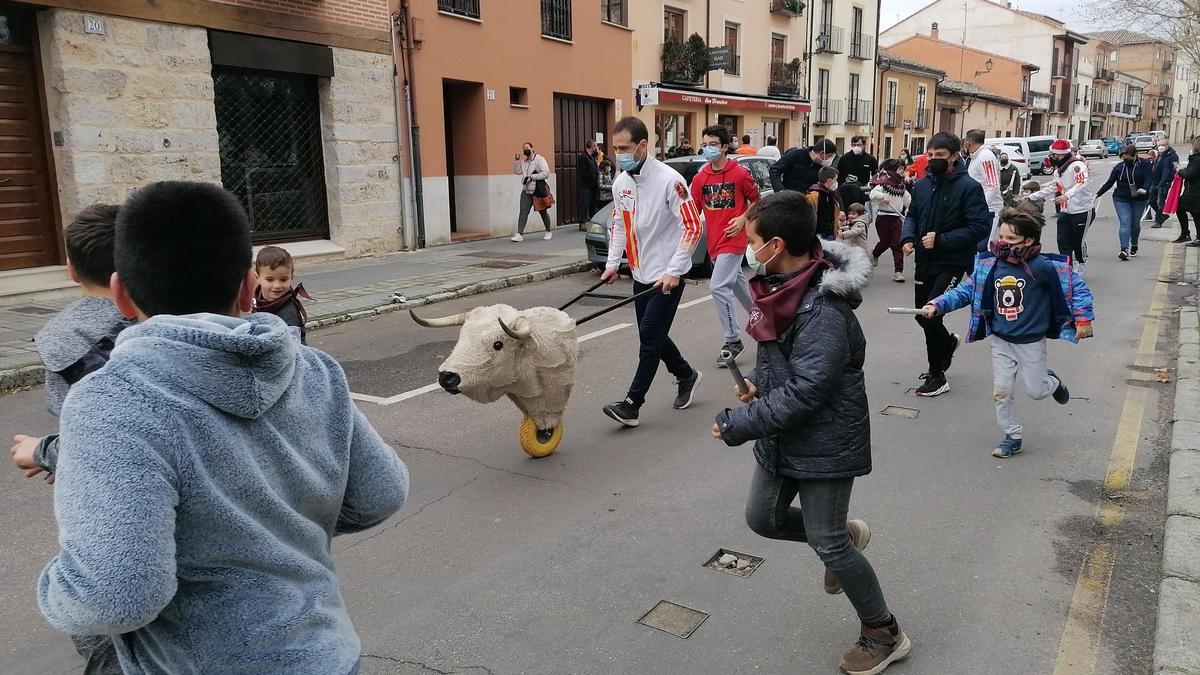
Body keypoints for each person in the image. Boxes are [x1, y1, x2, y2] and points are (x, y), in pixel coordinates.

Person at [35, 181, 410, 675]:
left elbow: (115, 597)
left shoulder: (111, 401)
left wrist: (52, 587)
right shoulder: (315, 370)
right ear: (248, 286)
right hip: (328, 657)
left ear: (121, 295)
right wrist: (281, 526)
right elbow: (381, 493)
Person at [712, 191, 911, 675]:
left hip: (824, 440)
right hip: (784, 433)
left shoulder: (821, 308)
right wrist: (760, 382)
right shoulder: (781, 289)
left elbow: (807, 392)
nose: (748, 250)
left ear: (776, 244)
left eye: (753, 241)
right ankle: (842, 535)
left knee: (827, 542)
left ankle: (883, 632)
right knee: (762, 518)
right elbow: (790, 368)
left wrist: (738, 424)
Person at [9, 204, 132, 675]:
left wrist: (44, 452)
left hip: (104, 523)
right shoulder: (157, 330)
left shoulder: (66, 339)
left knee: (108, 634)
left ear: (70, 269)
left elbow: (105, 439)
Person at [922, 207, 1093, 458]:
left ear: (1029, 240)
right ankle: (1012, 436)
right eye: (1001, 237)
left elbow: (1078, 289)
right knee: (1001, 391)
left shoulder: (1045, 266)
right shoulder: (989, 264)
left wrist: (1084, 318)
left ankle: (1051, 382)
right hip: (1000, 341)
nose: (1003, 243)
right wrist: (937, 304)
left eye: (1011, 239)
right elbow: (966, 291)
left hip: (1031, 342)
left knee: (1036, 391)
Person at [601, 117, 703, 427]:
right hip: (641, 272)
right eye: (616, 148)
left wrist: (674, 271)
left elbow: (693, 226)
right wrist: (611, 263)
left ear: (643, 145)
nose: (619, 154)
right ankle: (686, 375)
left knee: (649, 337)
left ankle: (632, 404)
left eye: (625, 148)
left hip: (668, 275)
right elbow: (620, 223)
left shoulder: (671, 181)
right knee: (652, 333)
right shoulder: (622, 183)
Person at [900, 132, 992, 397]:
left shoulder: (969, 187)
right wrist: (907, 238)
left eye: (939, 156)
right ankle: (948, 344)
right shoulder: (922, 185)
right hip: (924, 261)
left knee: (931, 314)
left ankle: (937, 374)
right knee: (922, 314)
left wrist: (942, 240)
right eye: (930, 156)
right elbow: (913, 215)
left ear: (954, 156)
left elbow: (979, 227)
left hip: (951, 261)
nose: (933, 160)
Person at [691, 125, 759, 366]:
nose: (708, 148)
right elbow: (692, 211)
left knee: (718, 287)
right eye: (705, 144)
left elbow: (756, 200)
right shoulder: (700, 178)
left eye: (713, 144)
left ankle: (733, 340)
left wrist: (742, 219)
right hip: (714, 242)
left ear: (725, 146)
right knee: (737, 282)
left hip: (734, 239)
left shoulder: (739, 174)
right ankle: (763, 320)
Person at [1027, 139, 1096, 270]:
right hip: (1065, 211)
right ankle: (1067, 269)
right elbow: (1054, 187)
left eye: (1053, 155)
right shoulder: (1058, 170)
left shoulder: (1077, 166)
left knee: (1077, 243)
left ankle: (1081, 263)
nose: (1050, 158)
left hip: (1082, 210)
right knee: (1063, 242)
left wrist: (1066, 196)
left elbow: (1082, 182)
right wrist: (1032, 197)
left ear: (1060, 155)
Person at [1096, 144, 1152, 260]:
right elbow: (1109, 182)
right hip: (1121, 198)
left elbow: (1149, 178)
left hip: (1139, 198)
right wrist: (1097, 194)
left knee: (1135, 224)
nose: (1126, 160)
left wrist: (1145, 189)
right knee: (1125, 221)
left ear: (1134, 156)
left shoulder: (1145, 164)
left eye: (1128, 157)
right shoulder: (1119, 167)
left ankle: (1134, 244)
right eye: (1124, 157)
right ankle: (1124, 249)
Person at [253, 245, 312, 344]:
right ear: (257, 277)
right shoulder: (256, 300)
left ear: (291, 277)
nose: (277, 285)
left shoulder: (288, 311)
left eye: (283, 279)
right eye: (270, 279)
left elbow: (292, 346)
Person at [870, 159, 912, 283]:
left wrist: (912, 211)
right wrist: (882, 196)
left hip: (896, 218)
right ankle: (875, 253)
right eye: (899, 169)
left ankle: (898, 272)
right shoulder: (883, 184)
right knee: (885, 242)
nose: (902, 171)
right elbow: (872, 194)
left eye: (903, 169)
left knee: (896, 244)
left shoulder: (902, 187)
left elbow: (909, 201)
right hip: (883, 217)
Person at [962, 131, 1004, 240]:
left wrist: (980, 205)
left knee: (986, 246)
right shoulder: (974, 157)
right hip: (977, 209)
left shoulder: (986, 157)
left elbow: (993, 186)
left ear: (969, 141)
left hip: (989, 210)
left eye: (965, 141)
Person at [512, 141, 553, 242]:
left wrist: (533, 177)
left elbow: (546, 173)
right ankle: (519, 234)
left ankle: (548, 231)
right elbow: (517, 171)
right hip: (526, 191)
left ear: (532, 148)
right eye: (524, 148)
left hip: (537, 191)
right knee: (523, 212)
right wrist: (517, 161)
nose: (525, 149)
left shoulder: (539, 159)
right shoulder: (524, 162)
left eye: (527, 147)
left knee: (543, 212)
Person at [770, 138, 837, 193]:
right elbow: (774, 170)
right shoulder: (795, 155)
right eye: (829, 156)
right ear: (822, 153)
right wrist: (781, 191)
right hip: (789, 200)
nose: (829, 160)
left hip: (808, 202)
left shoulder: (821, 166)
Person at [837, 136, 880, 220]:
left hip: (862, 192)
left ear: (864, 145)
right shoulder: (844, 158)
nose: (856, 147)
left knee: (863, 217)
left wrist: (873, 188)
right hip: (845, 193)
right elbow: (839, 174)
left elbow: (876, 176)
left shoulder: (870, 159)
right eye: (854, 145)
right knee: (846, 216)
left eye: (859, 145)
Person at [1152, 137, 1180, 235]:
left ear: (1167, 146)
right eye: (1159, 145)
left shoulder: (1173, 156)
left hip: (1164, 183)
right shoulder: (1158, 155)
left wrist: (1169, 178)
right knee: (1151, 200)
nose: (1160, 147)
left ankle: (1158, 221)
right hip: (1155, 181)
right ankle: (1163, 215)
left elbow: (1176, 168)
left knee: (1160, 202)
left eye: (1162, 145)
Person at [808, 166, 843, 241]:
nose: (837, 182)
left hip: (830, 233)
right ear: (829, 181)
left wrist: (837, 227)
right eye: (835, 179)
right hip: (817, 235)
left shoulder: (831, 194)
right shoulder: (813, 196)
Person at [1179, 137, 1200, 247]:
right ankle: (1192, 235)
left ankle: (1186, 233)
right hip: (1193, 192)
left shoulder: (1197, 160)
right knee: (1196, 214)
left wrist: (1180, 170)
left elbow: (1190, 175)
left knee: (1180, 207)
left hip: (1194, 192)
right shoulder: (1195, 159)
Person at [577, 139, 601, 227]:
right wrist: (592, 179)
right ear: (592, 146)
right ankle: (582, 223)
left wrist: (598, 153)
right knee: (584, 203)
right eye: (595, 146)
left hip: (593, 185)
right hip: (586, 185)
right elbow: (584, 172)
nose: (596, 148)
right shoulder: (583, 157)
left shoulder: (592, 157)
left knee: (593, 204)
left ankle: (593, 221)